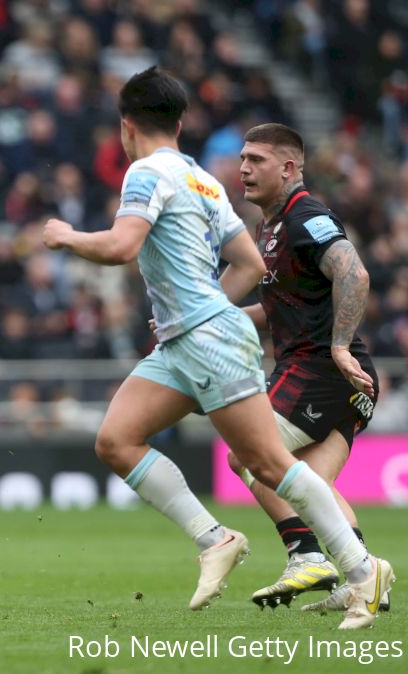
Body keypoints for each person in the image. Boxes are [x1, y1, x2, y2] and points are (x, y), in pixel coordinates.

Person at [42, 67, 392, 630]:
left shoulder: (145, 173)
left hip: (216, 341)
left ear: (126, 127)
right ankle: (217, 538)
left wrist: (67, 237)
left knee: (266, 463)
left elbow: (121, 246)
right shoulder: (202, 179)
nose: (246, 168)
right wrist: (200, 307)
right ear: (179, 123)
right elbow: (249, 265)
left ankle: (358, 570)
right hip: (187, 336)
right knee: (116, 440)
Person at [230, 122, 389, 613]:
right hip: (338, 378)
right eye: (242, 159)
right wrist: (214, 317)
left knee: (248, 453)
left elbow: (353, 270)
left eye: (256, 159)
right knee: (311, 488)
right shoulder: (271, 227)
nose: (243, 168)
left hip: (323, 370)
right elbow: (277, 310)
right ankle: (367, 579)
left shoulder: (307, 216)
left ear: (289, 167)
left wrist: (340, 346)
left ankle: (305, 556)